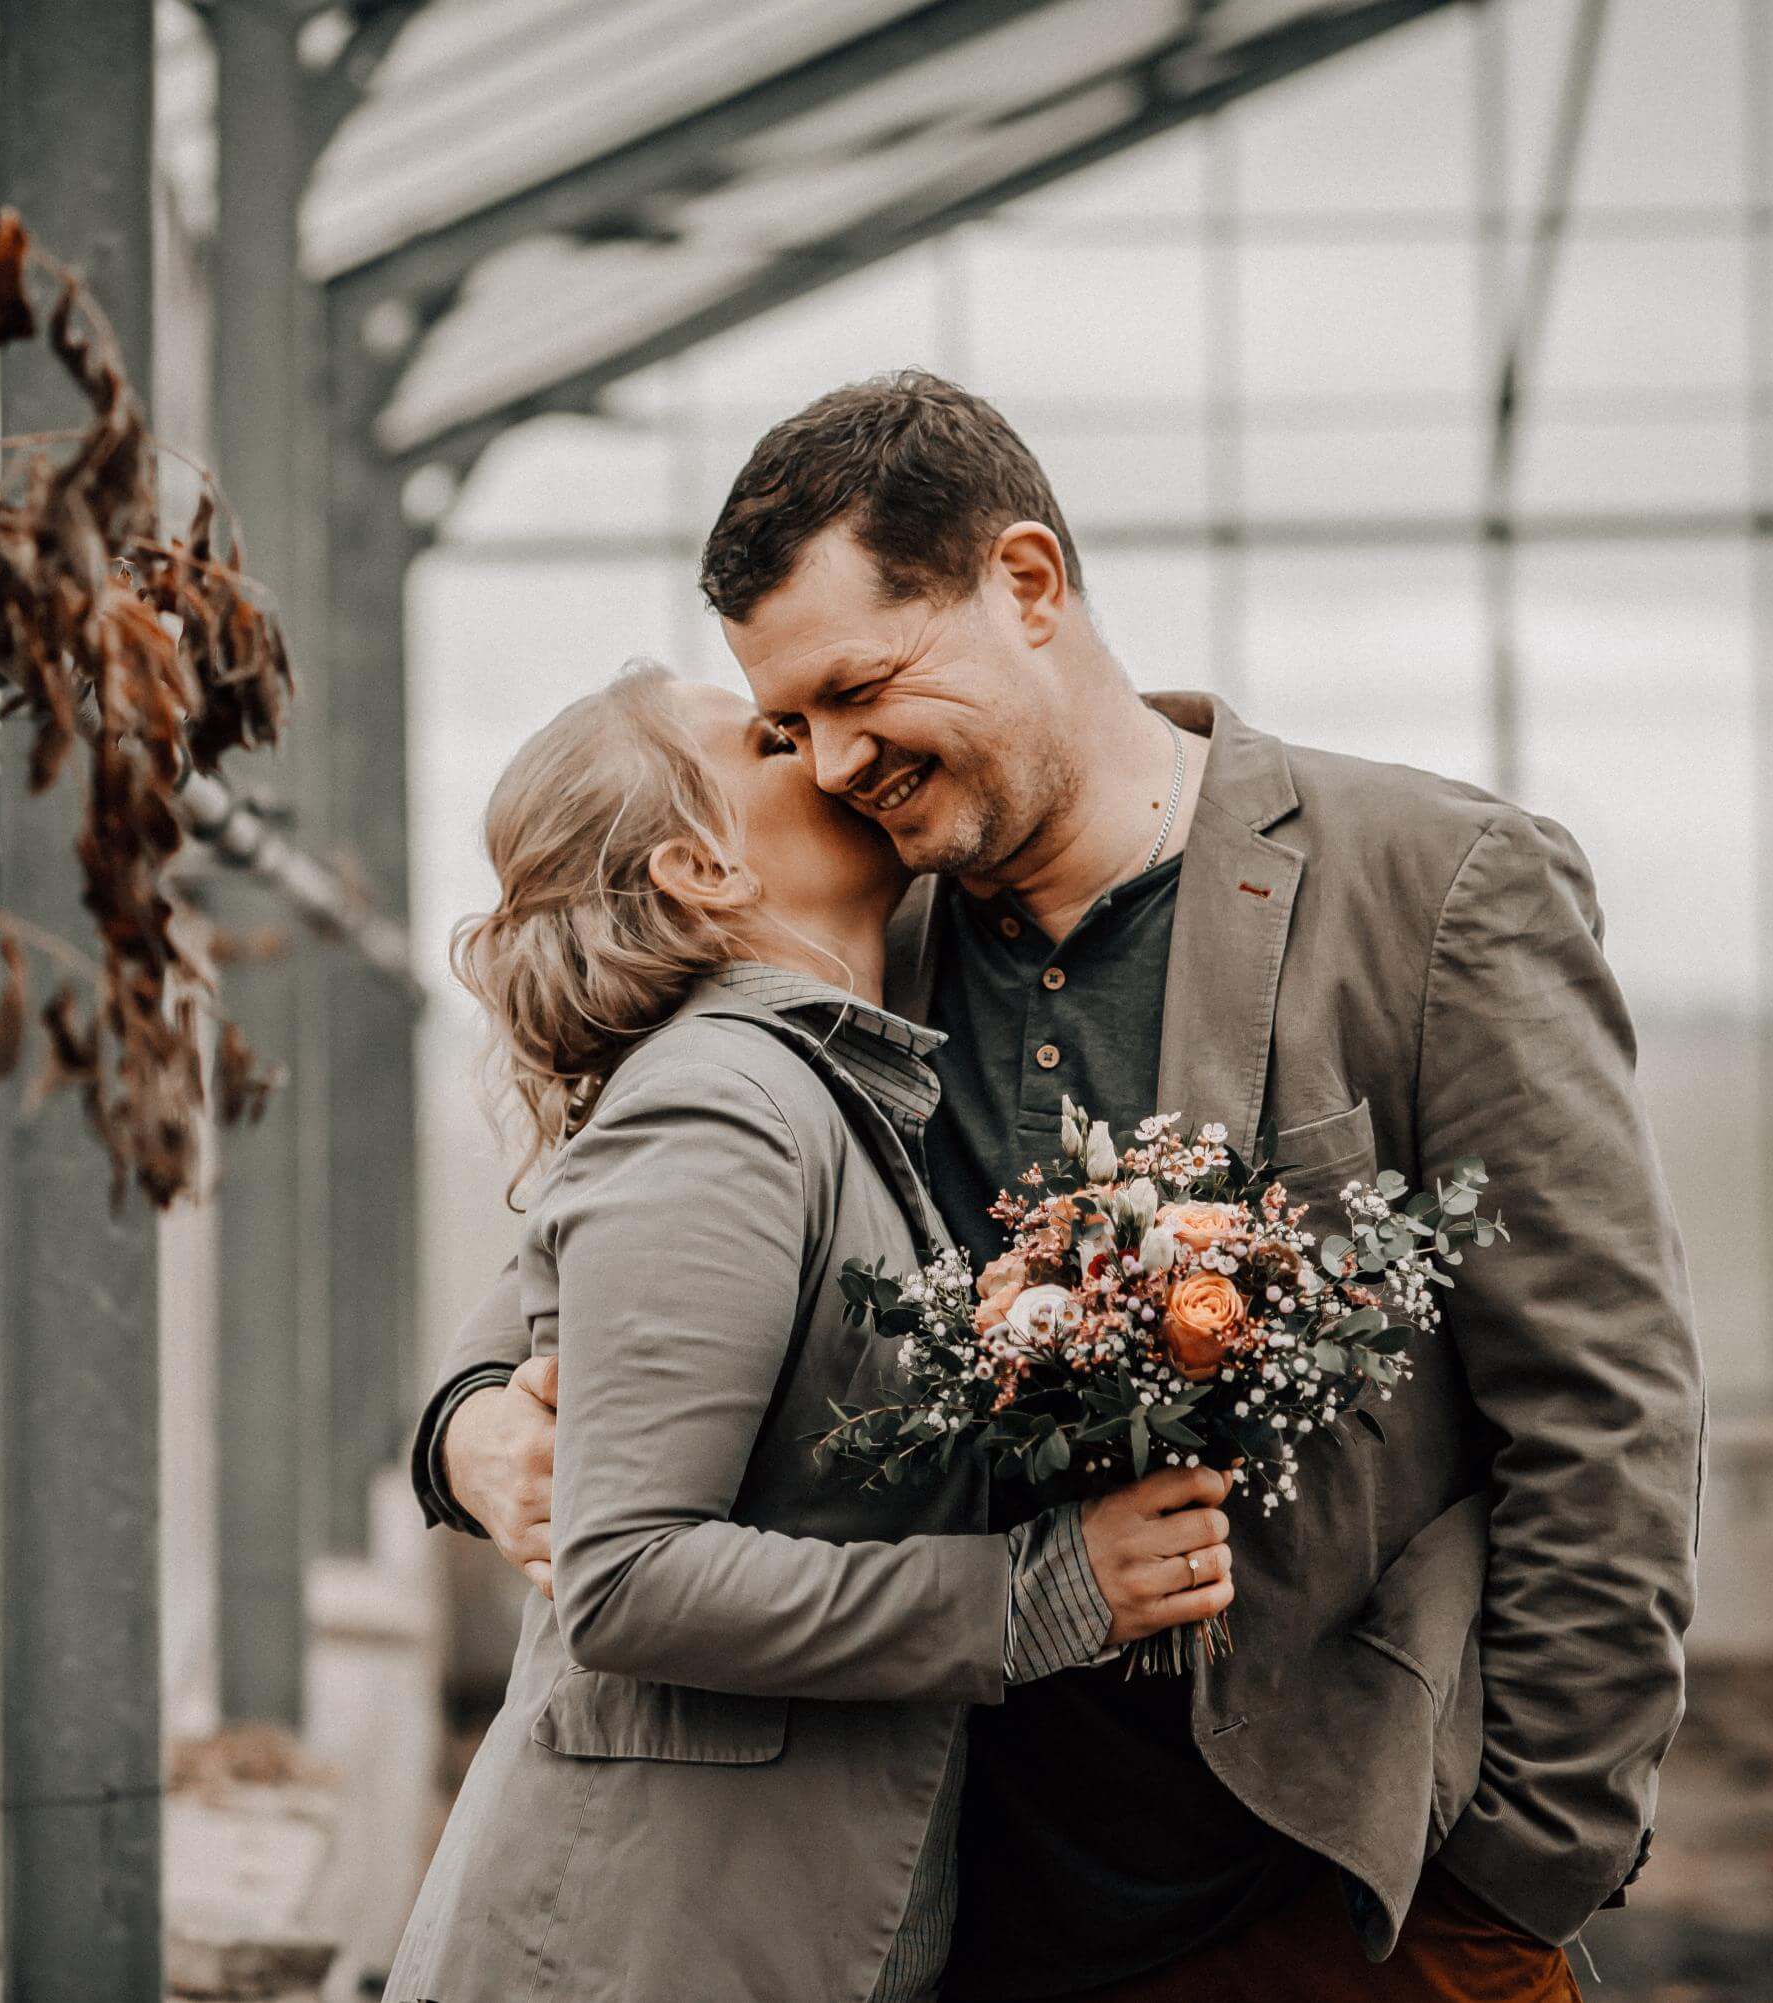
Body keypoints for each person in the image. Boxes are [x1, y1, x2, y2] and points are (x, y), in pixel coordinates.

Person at [413, 373, 1705, 2002]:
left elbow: (1606, 1406)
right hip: (950, 1892)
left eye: (857, 689)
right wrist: (473, 1429)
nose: (829, 762)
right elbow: (539, 1302)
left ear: (1025, 584)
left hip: (1333, 1889)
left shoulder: (1435, 888)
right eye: (789, 722)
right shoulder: (849, 956)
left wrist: (1524, 1868)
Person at [384, 664, 1239, 2003]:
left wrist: (465, 1422)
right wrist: (1042, 1596)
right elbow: (628, 1581)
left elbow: (505, 1352)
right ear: (701, 869)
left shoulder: (801, 1083)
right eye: (775, 742)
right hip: (642, 1952)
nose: (838, 756)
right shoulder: (720, 1110)